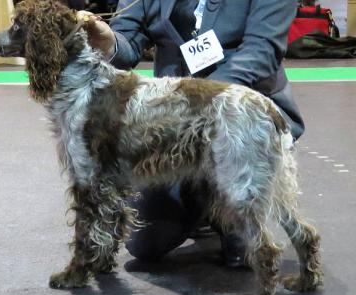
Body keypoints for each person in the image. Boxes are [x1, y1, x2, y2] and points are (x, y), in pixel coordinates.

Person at [77, 0, 304, 267]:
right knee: (145, 244)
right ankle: (204, 204)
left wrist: (196, 101)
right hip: (173, 127)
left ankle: (215, 205)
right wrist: (109, 41)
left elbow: (261, 52)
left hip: (240, 116)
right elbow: (128, 44)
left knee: (244, 248)